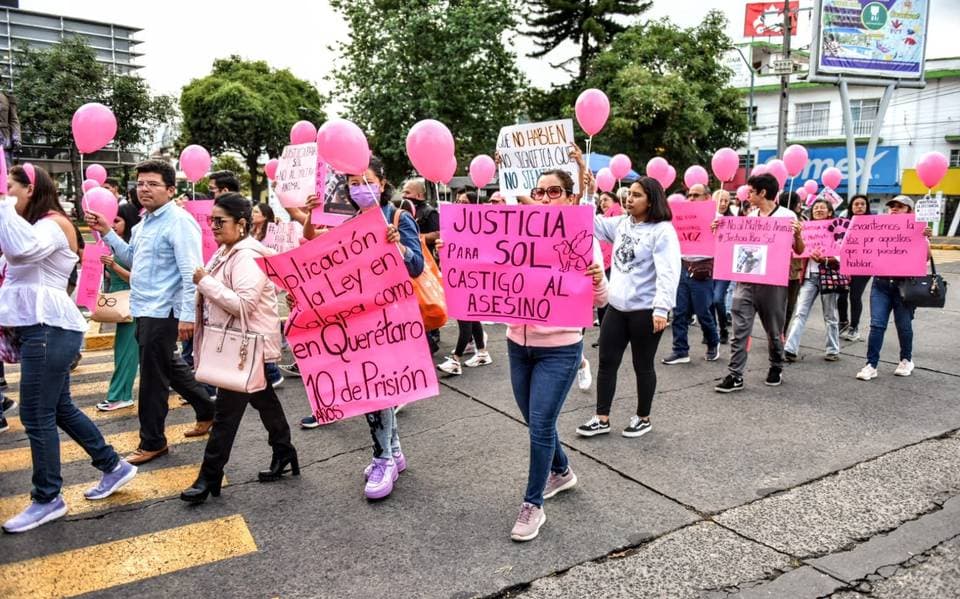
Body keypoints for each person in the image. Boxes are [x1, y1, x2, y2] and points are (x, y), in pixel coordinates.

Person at [0, 164, 136, 533]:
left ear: (31, 189)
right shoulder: (30, 224)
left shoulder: (53, 224)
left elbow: (22, 253)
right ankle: (113, 466)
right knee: (58, 408)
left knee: (34, 414)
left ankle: (47, 498)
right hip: (41, 330)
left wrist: (0, 204)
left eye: (10, 187)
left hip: (50, 330)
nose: (7, 192)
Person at [300, 158, 425, 501]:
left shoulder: (398, 217)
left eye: (365, 181)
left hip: (390, 320)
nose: (359, 188)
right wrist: (310, 216)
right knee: (374, 386)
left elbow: (416, 266)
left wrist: (396, 244)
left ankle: (383, 457)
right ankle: (394, 451)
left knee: (376, 389)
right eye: (353, 182)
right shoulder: (349, 221)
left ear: (382, 184)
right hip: (357, 318)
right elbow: (315, 249)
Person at [85, 159, 216, 465]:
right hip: (144, 307)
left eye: (152, 183)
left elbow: (191, 273)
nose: (144, 189)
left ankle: (153, 441)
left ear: (171, 189)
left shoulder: (179, 222)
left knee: (153, 380)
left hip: (164, 311)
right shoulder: (146, 222)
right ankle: (208, 410)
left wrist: (187, 315)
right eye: (140, 183)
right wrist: (107, 231)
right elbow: (132, 258)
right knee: (168, 367)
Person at [505, 169, 607, 542]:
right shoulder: (515, 231)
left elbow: (601, 300)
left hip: (560, 348)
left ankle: (533, 504)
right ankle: (561, 471)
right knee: (536, 423)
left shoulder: (583, 238)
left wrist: (597, 279)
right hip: (518, 344)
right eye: (540, 191)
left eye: (554, 191)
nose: (546, 198)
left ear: (569, 196)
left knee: (541, 425)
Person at [180, 193, 298, 503]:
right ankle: (284, 452)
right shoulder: (225, 251)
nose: (214, 226)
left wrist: (205, 282)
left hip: (245, 346)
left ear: (242, 224)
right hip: (240, 344)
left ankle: (209, 475)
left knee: (225, 415)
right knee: (264, 399)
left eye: (220, 221)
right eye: (211, 220)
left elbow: (243, 305)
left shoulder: (247, 256)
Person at [577, 176, 680, 439]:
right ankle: (602, 418)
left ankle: (643, 417)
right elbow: (587, 223)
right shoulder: (622, 224)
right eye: (628, 194)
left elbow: (668, 271)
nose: (629, 199)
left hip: (645, 311)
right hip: (616, 308)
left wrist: (661, 308)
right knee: (607, 362)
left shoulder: (662, 231)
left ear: (651, 201)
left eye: (636, 195)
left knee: (642, 365)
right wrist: (589, 194)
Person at [715, 173, 804, 393]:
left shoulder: (787, 216)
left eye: (751, 191)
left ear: (763, 193)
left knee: (773, 330)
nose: (748, 194)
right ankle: (735, 374)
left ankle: (776, 365)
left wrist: (799, 235)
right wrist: (720, 230)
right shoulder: (750, 216)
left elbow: (800, 250)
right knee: (739, 329)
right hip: (746, 280)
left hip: (773, 284)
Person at [856, 195, 932, 381]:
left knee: (903, 325)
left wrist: (925, 238)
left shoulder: (918, 232)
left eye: (900, 206)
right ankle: (871, 365)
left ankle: (906, 359)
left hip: (905, 286)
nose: (895, 209)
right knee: (877, 325)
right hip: (881, 284)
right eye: (892, 206)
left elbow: (926, 258)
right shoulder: (879, 230)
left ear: (909, 211)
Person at [662, 183, 720, 365]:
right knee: (679, 312)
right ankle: (680, 350)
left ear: (707, 198)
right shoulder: (681, 216)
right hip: (682, 266)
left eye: (696, 195)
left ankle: (713, 342)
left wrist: (718, 229)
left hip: (702, 270)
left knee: (703, 312)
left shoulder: (717, 219)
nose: (692, 199)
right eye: (690, 195)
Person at [437, 190, 491, 375]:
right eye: (457, 201)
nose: (459, 205)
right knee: (471, 316)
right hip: (459, 277)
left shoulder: (482, 229)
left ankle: (456, 360)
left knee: (465, 317)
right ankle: (482, 352)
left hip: (471, 279)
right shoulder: (456, 226)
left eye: (464, 202)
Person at [783, 198, 842, 362]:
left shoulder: (837, 230)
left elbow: (840, 256)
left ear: (830, 212)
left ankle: (832, 349)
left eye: (823, 207)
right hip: (809, 276)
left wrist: (825, 260)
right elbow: (798, 249)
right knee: (800, 313)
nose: (819, 210)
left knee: (830, 315)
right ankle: (790, 348)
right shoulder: (805, 228)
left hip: (828, 275)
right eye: (816, 207)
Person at [96, 206, 142, 411]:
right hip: (120, 302)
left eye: (117, 221)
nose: (112, 225)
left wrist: (114, 267)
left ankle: (119, 395)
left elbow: (138, 280)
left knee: (125, 352)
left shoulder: (132, 247)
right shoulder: (113, 246)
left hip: (132, 303)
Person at [401, 177, 442, 353]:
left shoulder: (429, 212)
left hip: (427, 260)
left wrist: (421, 238)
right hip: (414, 260)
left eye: (407, 192)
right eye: (403, 192)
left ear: (418, 194)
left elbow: (438, 232)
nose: (403, 195)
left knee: (428, 295)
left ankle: (433, 332)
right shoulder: (405, 211)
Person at [838, 194, 872, 341]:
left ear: (867, 207)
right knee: (842, 296)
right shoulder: (843, 223)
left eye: (862, 204)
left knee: (855, 296)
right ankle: (843, 322)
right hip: (844, 264)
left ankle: (854, 326)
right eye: (856, 204)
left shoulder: (874, 224)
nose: (859, 207)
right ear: (851, 207)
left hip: (863, 267)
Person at [711, 189, 734, 344]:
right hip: (707, 265)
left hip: (724, 266)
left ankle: (723, 327)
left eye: (727, 200)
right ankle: (712, 332)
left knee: (718, 299)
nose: (724, 203)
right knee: (709, 302)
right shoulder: (706, 218)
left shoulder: (733, 221)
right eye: (721, 200)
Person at [781, 191, 806, 336]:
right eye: (798, 202)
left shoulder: (801, 221)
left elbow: (802, 248)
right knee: (776, 305)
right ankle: (776, 330)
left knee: (790, 304)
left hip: (794, 270)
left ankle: (782, 333)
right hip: (778, 269)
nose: (800, 205)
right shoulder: (778, 219)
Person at [0, 90, 21, 167]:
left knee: (6, 169)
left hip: (3, 139)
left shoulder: (7, 98)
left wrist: (16, 138)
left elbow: (13, 120)